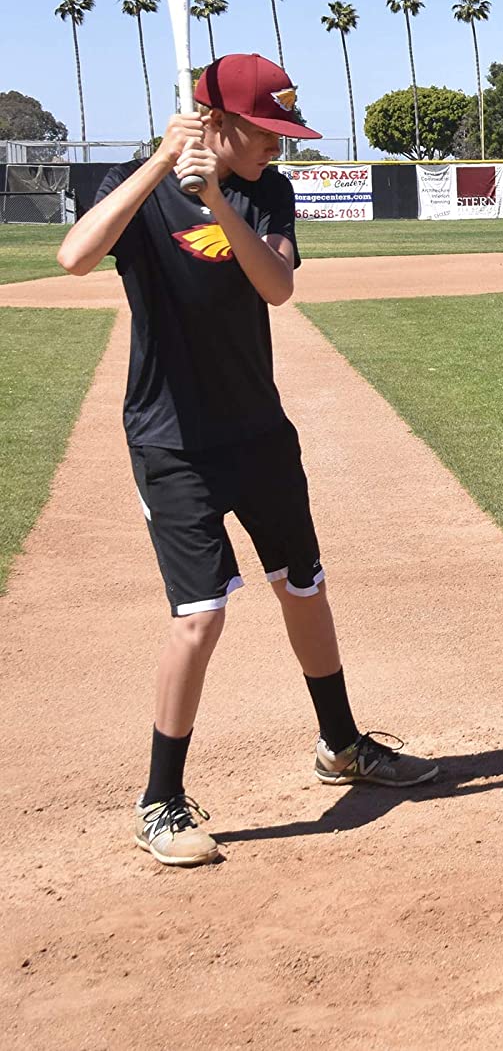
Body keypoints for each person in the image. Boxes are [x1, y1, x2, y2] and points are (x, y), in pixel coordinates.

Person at [57, 53, 437, 867]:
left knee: (304, 587)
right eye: (265, 131)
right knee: (201, 616)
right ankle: (159, 801)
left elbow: (276, 286)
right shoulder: (140, 189)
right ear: (217, 121)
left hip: (259, 432)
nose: (278, 146)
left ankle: (341, 746)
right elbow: (74, 256)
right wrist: (163, 163)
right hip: (173, 442)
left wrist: (217, 201)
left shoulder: (267, 193)